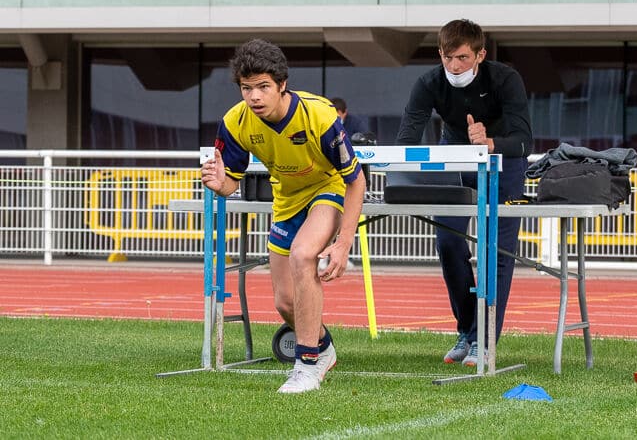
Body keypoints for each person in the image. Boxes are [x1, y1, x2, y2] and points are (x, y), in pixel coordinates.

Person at [201, 39, 366, 393]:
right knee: (285, 302)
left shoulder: (320, 116)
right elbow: (232, 183)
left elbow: (356, 181)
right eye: (247, 88)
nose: (255, 97)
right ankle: (322, 349)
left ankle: (305, 365)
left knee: (303, 255)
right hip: (287, 200)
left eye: (263, 87)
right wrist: (220, 183)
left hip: (328, 188)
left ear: (281, 85)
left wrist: (343, 243)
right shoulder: (235, 122)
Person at [395, 19, 532, 367]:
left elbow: (524, 141)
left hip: (503, 159)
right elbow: (407, 139)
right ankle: (467, 331)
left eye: (462, 58)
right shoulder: (428, 83)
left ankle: (484, 341)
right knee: (448, 242)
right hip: (454, 154)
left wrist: (489, 142)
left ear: (480, 54)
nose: (454, 66)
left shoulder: (506, 79)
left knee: (495, 252)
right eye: (447, 58)